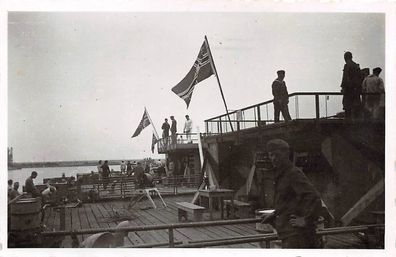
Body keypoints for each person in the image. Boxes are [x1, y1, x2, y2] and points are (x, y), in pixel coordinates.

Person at [261, 139, 322, 248]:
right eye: (271, 155)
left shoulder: (293, 173)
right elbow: (288, 201)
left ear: (286, 154)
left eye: (277, 155)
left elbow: (314, 197)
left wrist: (306, 220)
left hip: (297, 236)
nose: (274, 159)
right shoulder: (281, 174)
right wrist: (275, 214)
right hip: (288, 233)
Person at [340, 51, 363, 120]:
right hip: (356, 90)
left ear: (345, 58)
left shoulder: (347, 65)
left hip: (349, 90)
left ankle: (348, 122)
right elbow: (360, 77)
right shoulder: (356, 65)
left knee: (347, 107)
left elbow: (345, 77)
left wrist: (343, 87)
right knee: (356, 107)